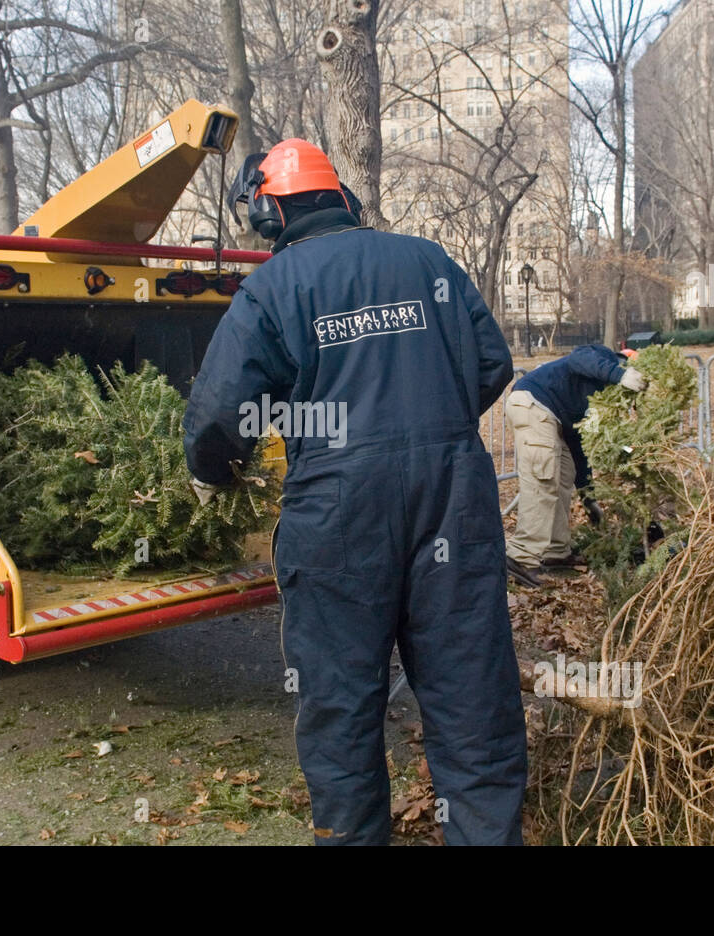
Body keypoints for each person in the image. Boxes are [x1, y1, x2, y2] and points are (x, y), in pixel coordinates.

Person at [183, 139, 527, 845]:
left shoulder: (274, 288)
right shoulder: (427, 260)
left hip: (338, 513)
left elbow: (222, 410)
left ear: (271, 213)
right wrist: (435, 423)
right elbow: (493, 363)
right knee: (471, 696)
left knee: (341, 704)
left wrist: (213, 470)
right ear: (341, 197)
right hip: (451, 503)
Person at [503, 345, 646, 588]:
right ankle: (522, 558)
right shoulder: (603, 357)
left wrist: (589, 497)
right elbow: (577, 358)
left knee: (563, 478)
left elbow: (580, 447)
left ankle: (555, 551)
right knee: (543, 479)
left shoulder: (601, 402)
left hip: (558, 420)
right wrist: (620, 374)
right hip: (534, 404)